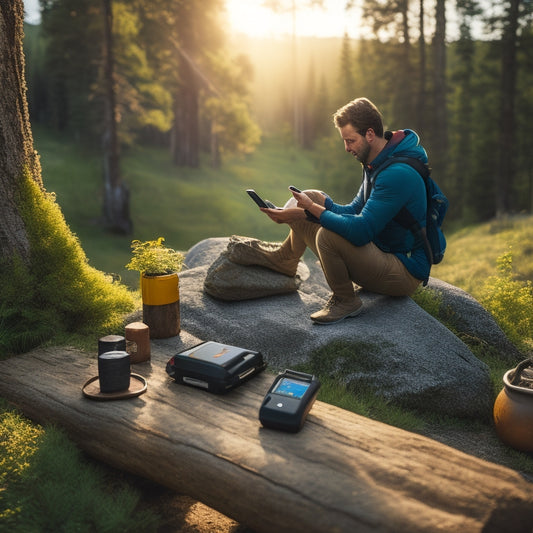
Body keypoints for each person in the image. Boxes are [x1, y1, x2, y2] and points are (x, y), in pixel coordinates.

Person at [226, 97, 430, 325]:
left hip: (404, 269)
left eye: (351, 140)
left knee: (327, 235)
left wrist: (310, 211)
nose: (347, 148)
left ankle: (345, 300)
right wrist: (320, 203)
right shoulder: (377, 162)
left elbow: (361, 230)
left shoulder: (396, 174)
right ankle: (286, 259)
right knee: (311, 196)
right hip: (381, 251)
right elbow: (355, 210)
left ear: (370, 134)